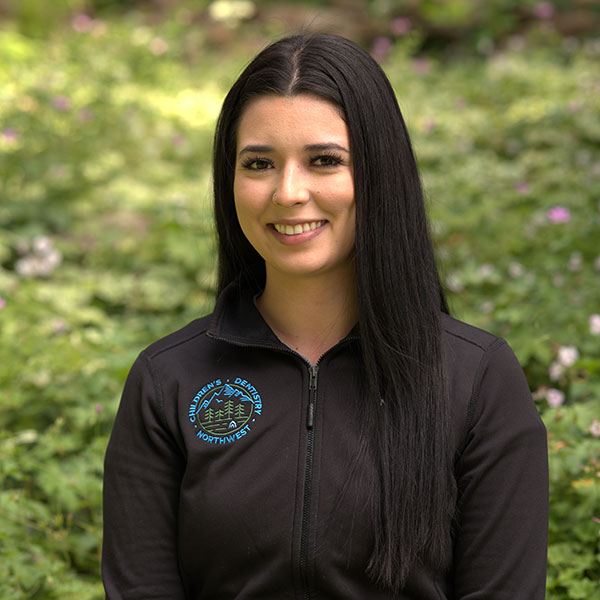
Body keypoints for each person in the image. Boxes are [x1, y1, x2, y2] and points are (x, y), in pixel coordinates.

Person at [102, 33, 549, 599]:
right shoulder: (167, 379)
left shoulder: (477, 380)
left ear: (380, 174)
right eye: (258, 163)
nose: (288, 192)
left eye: (325, 161)